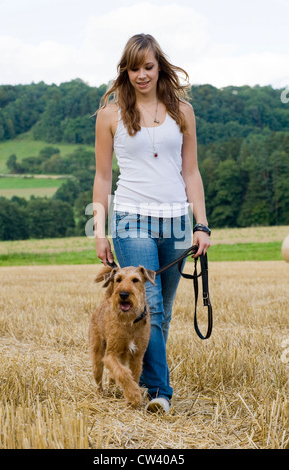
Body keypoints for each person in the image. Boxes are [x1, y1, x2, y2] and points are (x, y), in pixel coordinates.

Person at [92, 33, 210, 413]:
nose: (141, 75)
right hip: (131, 217)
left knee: (161, 312)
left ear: (159, 66)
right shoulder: (110, 114)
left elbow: (191, 172)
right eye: (133, 67)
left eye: (147, 66)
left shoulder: (183, 111)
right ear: (124, 70)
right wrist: (98, 229)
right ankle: (160, 392)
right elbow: (103, 178)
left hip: (176, 221)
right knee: (152, 305)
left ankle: (142, 375)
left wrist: (201, 224)